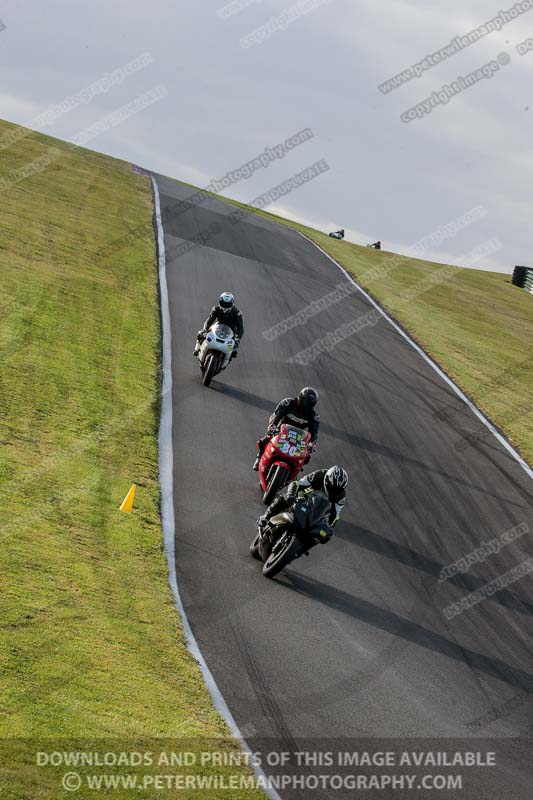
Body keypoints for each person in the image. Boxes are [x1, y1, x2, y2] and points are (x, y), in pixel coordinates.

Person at [257, 466, 349, 541]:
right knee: (283, 498)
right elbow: (297, 484)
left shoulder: (341, 496)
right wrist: (291, 494)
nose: (334, 491)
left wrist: (328, 528)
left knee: (322, 536)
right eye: (332, 487)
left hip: (318, 513)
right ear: (327, 480)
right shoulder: (319, 475)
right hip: (304, 498)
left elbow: (335, 515)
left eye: (338, 490)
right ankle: (266, 517)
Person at [253, 387, 320, 471]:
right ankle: (259, 457)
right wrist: (272, 426)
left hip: (299, 437)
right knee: (265, 440)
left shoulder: (314, 416)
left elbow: (314, 431)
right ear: (300, 397)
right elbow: (277, 415)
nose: (307, 405)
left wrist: (311, 443)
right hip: (281, 430)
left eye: (310, 404)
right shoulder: (288, 403)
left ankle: (295, 470)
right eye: (306, 401)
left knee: (306, 457)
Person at [193, 292, 244, 357]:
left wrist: (237, 339)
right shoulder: (216, 309)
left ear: (232, 303)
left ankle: (227, 359)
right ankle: (197, 349)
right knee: (200, 334)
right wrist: (205, 329)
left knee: (233, 350)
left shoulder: (237, 313)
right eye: (223, 303)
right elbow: (209, 320)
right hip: (217, 327)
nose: (225, 306)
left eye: (227, 304)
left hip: (231, 332)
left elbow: (240, 328)